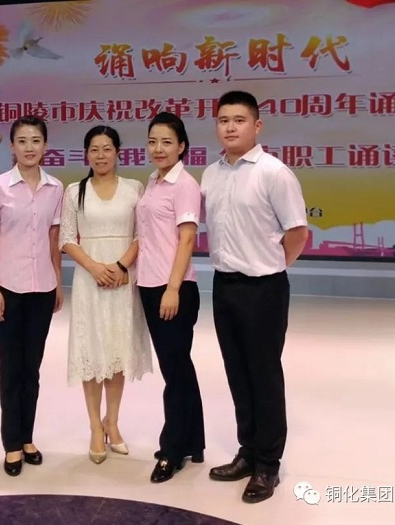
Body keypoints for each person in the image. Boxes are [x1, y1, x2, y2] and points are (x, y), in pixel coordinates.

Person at [201, 90, 308, 503]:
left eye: (239, 120)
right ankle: (247, 451)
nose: (230, 127)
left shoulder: (274, 173)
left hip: (264, 288)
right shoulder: (211, 174)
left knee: (264, 375)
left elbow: (297, 232)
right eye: (223, 120)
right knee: (237, 372)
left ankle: (268, 464)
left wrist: (272, 265)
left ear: (257, 125)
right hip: (224, 285)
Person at [59, 125, 152, 465]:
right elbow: (66, 238)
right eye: (94, 149)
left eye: (107, 149)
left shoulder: (134, 188)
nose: (101, 155)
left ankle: (112, 422)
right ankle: (94, 427)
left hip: (123, 279)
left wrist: (121, 266)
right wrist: (96, 267)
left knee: (116, 351)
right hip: (90, 280)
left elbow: (142, 235)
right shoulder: (74, 191)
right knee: (92, 351)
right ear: (86, 154)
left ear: (117, 152)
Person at [0, 115, 64, 477]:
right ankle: (12, 442)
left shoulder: (55, 188)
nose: (30, 147)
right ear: (12, 146)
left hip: (42, 289)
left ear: (46, 146)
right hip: (7, 290)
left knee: (32, 369)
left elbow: (54, 240)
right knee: (10, 368)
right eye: (23, 141)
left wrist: (58, 283)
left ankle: (28, 437)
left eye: (36, 140)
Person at [136, 112, 205, 483]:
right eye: (152, 141)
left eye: (166, 142)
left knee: (175, 372)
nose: (158, 149)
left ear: (182, 146)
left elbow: (187, 239)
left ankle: (172, 450)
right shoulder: (153, 181)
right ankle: (193, 441)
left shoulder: (185, 184)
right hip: (149, 285)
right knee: (178, 368)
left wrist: (173, 288)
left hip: (172, 288)